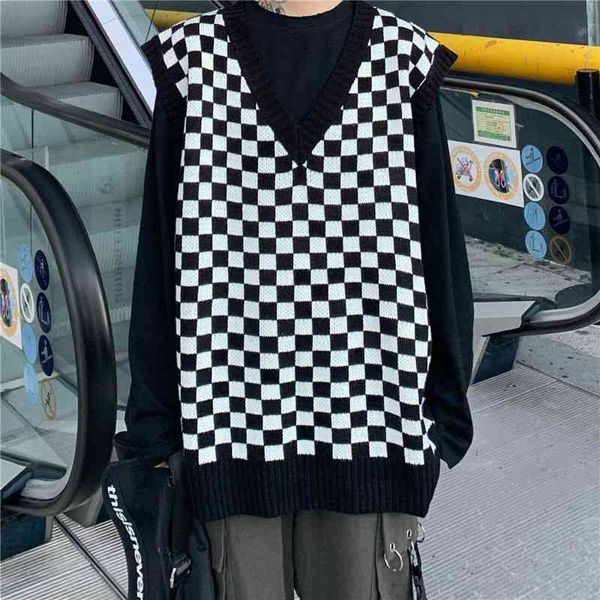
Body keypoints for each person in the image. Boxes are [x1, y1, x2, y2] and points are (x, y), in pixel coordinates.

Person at [126, 1, 474, 598]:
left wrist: (442, 424)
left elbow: (439, 251)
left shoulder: (403, 64)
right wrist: (154, 435)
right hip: (227, 440)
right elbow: (159, 260)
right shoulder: (192, 64)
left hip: (371, 431)